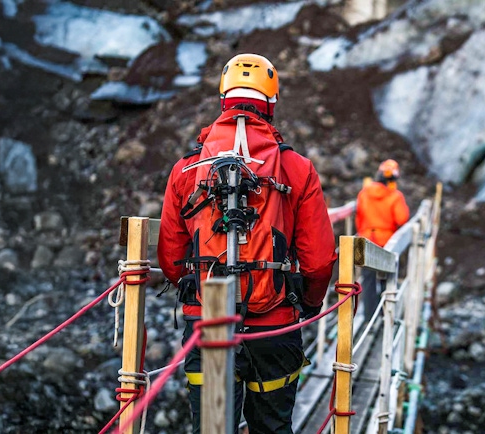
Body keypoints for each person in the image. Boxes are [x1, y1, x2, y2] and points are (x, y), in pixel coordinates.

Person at [157, 53, 337, 434]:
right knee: (271, 427)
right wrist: (307, 302)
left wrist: (197, 290)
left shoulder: (186, 169)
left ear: (223, 98)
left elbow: (171, 258)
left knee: (212, 427)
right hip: (275, 326)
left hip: (207, 324)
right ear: (271, 103)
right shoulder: (297, 168)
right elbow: (319, 260)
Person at [355, 159, 410, 319]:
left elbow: (359, 217)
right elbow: (402, 218)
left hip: (365, 240)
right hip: (387, 242)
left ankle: (369, 318)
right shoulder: (395, 196)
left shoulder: (364, 193)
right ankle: (386, 314)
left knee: (368, 280)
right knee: (387, 278)